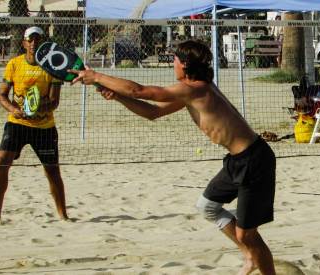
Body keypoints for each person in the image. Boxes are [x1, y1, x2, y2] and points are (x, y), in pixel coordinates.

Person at [70, 40, 276, 275]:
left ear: (185, 64)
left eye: (175, 60)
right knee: (208, 207)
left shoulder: (195, 89)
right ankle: (250, 256)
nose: (173, 64)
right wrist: (117, 97)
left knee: (246, 234)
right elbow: (153, 112)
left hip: (254, 160)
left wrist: (95, 76)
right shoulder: (192, 90)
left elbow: (139, 90)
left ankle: (258, 261)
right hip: (238, 160)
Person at [0, 26, 68, 223]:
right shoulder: (14, 64)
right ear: (24, 43)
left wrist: (39, 108)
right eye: (30, 39)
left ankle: (64, 215)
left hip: (43, 127)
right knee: (1, 162)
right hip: (16, 123)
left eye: (37, 40)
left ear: (44, 43)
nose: (33, 43)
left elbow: (54, 102)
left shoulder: (52, 67)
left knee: (52, 171)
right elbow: (1, 95)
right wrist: (14, 109)